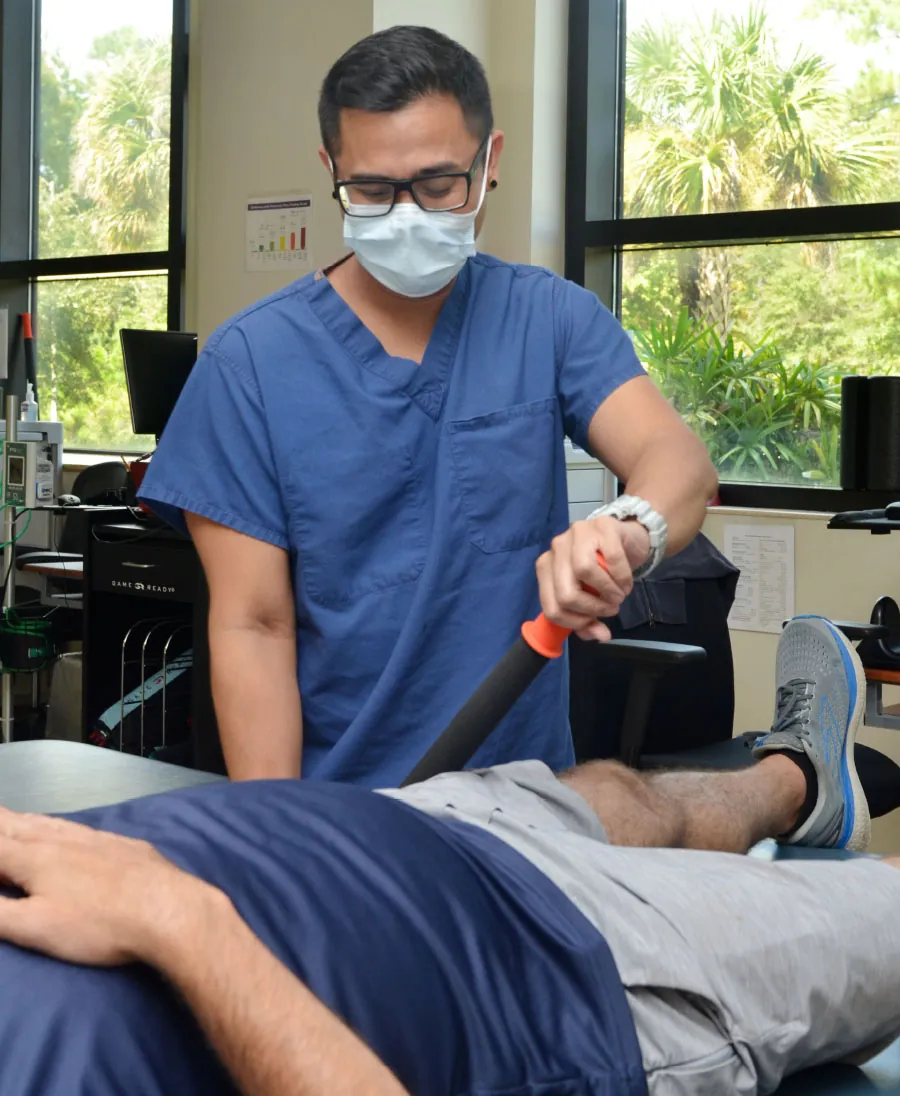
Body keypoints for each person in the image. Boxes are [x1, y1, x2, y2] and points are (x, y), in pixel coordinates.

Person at [137, 25, 717, 785]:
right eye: (372, 190)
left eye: (440, 185)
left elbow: (679, 465)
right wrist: (279, 840)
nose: (407, 215)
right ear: (331, 169)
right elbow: (254, 624)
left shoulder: (548, 319)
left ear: (490, 163)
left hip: (525, 806)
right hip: (349, 813)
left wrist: (626, 530)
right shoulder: (248, 366)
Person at [0, 615, 896, 1096]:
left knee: (629, 793)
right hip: (554, 979)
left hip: (405, 828)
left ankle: (799, 778)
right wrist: (179, 916)